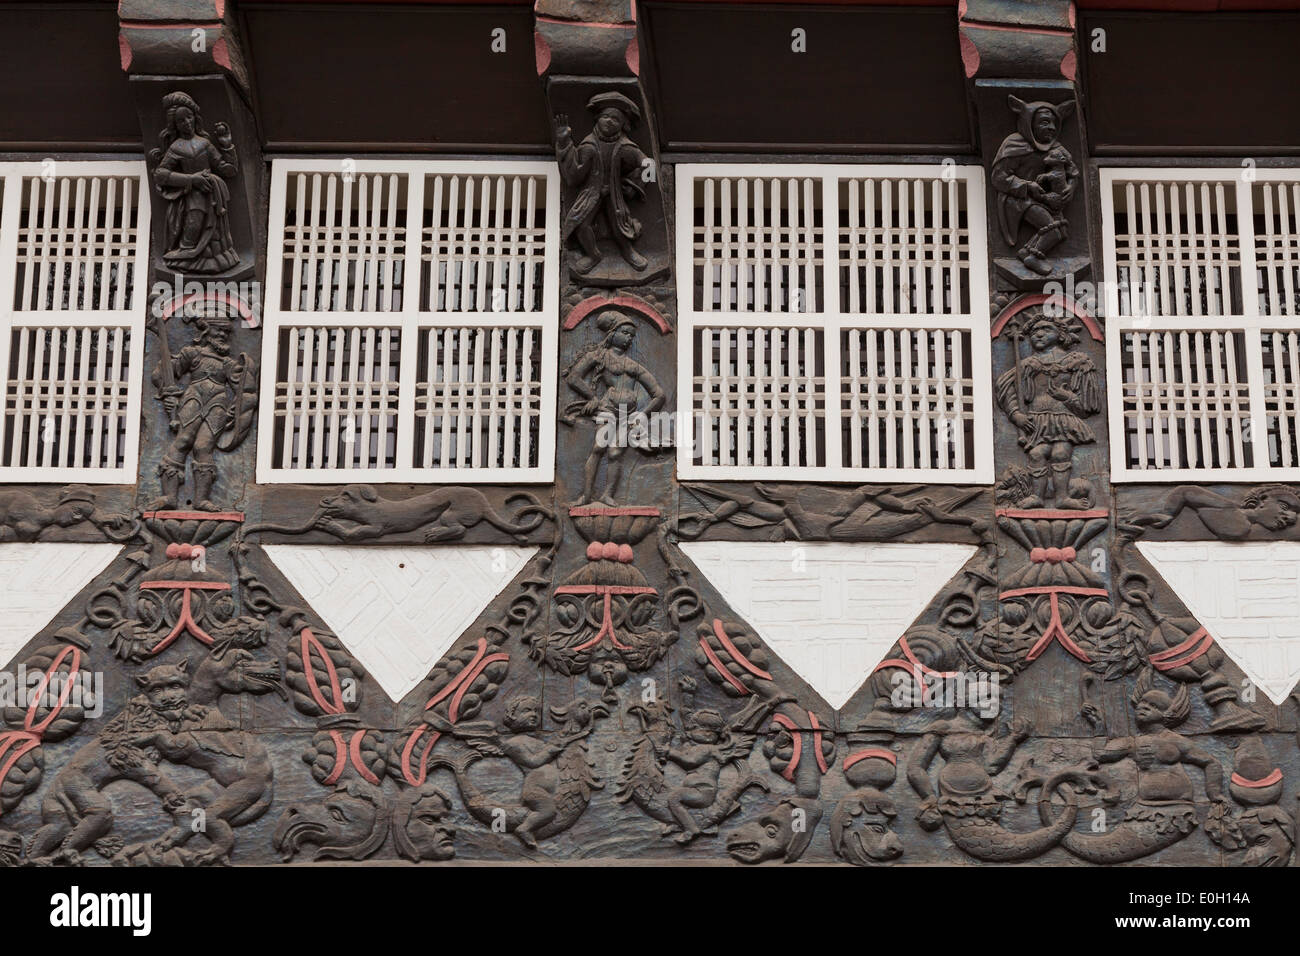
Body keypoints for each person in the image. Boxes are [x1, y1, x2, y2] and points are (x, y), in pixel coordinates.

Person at [996, 309, 1101, 509]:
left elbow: (1088, 406)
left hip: (1064, 419)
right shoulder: (1026, 365)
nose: (1039, 333)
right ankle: (1038, 497)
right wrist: (1015, 414)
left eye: (1046, 328)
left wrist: (1067, 397)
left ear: (1061, 333)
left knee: (1061, 453)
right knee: (1036, 455)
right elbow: (1004, 388)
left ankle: (1062, 499)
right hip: (1035, 422)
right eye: (1034, 331)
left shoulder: (1077, 363)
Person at [151, 314, 255, 511]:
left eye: (227, 332)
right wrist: (167, 388)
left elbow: (243, 390)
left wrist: (235, 409)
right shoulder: (192, 353)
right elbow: (164, 373)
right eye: (219, 331)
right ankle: (170, 497)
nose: (223, 335)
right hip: (193, 400)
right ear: (207, 332)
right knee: (182, 442)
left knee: (203, 447)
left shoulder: (229, 364)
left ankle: (201, 500)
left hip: (217, 404)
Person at [562, 310, 665, 504]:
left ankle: (607, 494)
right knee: (599, 447)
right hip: (607, 409)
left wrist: (642, 416)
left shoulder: (633, 366)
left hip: (629, 414)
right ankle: (586, 496)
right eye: (624, 333)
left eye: (631, 335)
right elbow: (574, 377)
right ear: (612, 332)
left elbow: (659, 395)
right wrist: (592, 397)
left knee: (616, 452)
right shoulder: (598, 357)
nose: (628, 338)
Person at [555, 92, 650, 274]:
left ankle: (628, 251)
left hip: (615, 192)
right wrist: (564, 142)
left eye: (615, 118)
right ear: (597, 119)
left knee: (619, 225)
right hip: (592, 192)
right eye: (605, 116)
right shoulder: (588, 146)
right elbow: (573, 176)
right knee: (581, 224)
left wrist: (634, 185)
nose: (609, 121)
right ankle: (592, 254)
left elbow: (649, 166)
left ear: (623, 124)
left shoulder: (626, 147)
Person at [152, 91, 240, 274]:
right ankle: (187, 256)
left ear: (195, 118)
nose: (187, 123)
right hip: (193, 195)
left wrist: (227, 145)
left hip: (212, 193)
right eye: (181, 121)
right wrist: (191, 179)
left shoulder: (205, 144)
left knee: (215, 233)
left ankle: (214, 259)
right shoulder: (176, 147)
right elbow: (160, 174)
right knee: (194, 224)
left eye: (189, 118)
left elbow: (228, 170)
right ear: (175, 125)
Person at [991, 97, 1078, 275]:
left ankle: (1026, 252)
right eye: (1044, 122)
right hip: (1019, 199)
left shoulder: (1057, 148)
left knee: (1062, 230)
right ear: (1029, 123)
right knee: (1052, 228)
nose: (1051, 128)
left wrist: (1071, 187)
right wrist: (1027, 186)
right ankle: (1034, 258)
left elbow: (1073, 170)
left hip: (1045, 198)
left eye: (1054, 124)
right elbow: (998, 177)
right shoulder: (1014, 145)